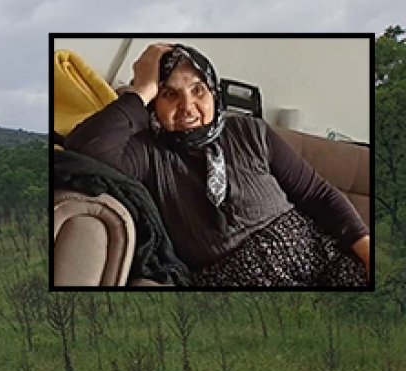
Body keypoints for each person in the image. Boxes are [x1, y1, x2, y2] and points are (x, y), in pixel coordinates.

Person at [65, 43, 369, 286]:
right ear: (154, 102)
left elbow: (317, 194)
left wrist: (366, 250)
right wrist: (141, 89)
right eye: (170, 94)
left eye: (198, 90)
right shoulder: (146, 153)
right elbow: (85, 151)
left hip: (321, 258)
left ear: (214, 93)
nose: (188, 107)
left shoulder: (250, 131)